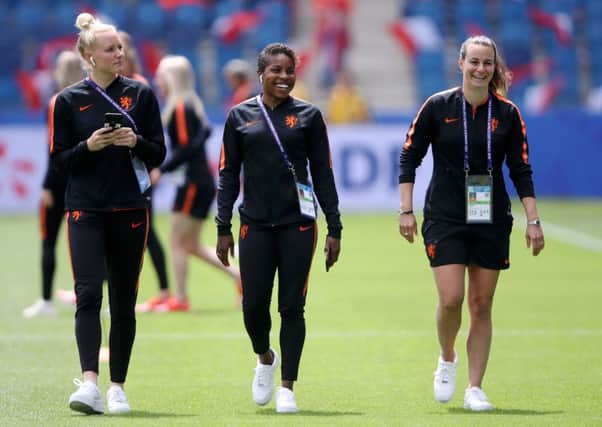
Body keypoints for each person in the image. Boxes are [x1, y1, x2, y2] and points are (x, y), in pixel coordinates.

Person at [398, 35, 545, 411]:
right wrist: (406, 210)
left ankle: (475, 387)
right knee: (451, 299)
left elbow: (521, 169)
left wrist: (533, 220)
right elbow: (409, 157)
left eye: (487, 63)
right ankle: (447, 357)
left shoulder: (508, 113)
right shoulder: (437, 106)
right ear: (461, 63)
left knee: (481, 304)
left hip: (491, 217)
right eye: (474, 61)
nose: (481, 69)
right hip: (445, 215)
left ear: (495, 68)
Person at [216, 42, 342, 413]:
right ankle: (265, 356)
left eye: (289, 70)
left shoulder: (309, 116)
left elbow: (323, 173)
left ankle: (287, 386)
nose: (284, 77)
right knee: (253, 305)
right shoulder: (239, 116)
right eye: (276, 71)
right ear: (261, 74)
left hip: (298, 225)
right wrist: (223, 225)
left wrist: (334, 227)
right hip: (253, 223)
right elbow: (227, 175)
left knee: (292, 306)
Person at [50, 13, 165, 414]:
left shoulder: (142, 95)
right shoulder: (67, 101)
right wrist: (90, 147)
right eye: (111, 48)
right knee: (87, 295)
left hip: (131, 207)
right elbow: (60, 161)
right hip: (85, 207)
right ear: (87, 54)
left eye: (121, 48)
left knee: (123, 300)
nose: (119, 53)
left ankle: (118, 386)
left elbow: (159, 152)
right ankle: (89, 385)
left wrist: (135, 141)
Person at [143, 55, 241, 312]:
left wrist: (161, 169)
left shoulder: (181, 108)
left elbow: (186, 148)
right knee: (190, 245)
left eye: (161, 75)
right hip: (196, 182)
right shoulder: (187, 106)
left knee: (177, 242)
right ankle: (241, 278)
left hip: (193, 183)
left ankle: (181, 299)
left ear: (172, 79)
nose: (157, 81)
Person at [22, 50, 85, 318]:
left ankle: (46, 300)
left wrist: (47, 186)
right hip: (83, 178)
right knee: (86, 242)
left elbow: (53, 150)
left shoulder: (57, 102)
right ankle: (89, 297)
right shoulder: (90, 101)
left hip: (59, 179)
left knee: (50, 240)